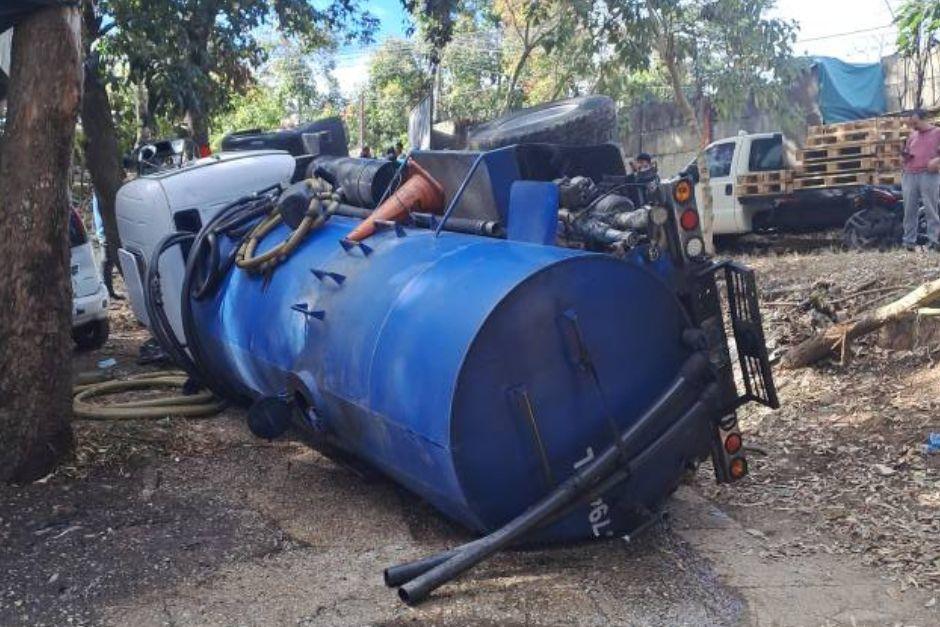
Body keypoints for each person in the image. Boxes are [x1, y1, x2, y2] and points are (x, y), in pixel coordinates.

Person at [901, 109, 940, 251]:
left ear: (924, 119)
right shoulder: (912, 135)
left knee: (931, 209)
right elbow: (907, 152)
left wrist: (937, 160)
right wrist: (904, 157)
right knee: (909, 210)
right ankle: (909, 242)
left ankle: (934, 241)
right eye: (912, 122)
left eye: (915, 122)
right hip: (910, 174)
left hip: (928, 174)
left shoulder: (937, 132)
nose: (913, 125)